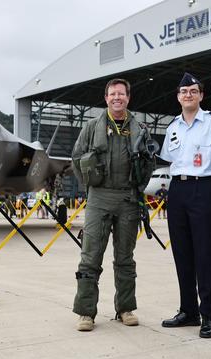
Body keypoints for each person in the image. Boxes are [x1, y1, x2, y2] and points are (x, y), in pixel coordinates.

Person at [159, 72, 211, 338]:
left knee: (205, 256)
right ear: (178, 97)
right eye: (184, 92)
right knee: (182, 254)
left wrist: (209, 191)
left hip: (203, 187)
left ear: (201, 95)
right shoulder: (173, 127)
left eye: (193, 91)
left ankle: (208, 317)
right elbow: (170, 159)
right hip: (178, 191)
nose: (188, 95)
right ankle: (188, 311)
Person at [71, 78, 154, 331]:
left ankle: (125, 308)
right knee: (90, 256)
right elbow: (77, 158)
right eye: (112, 94)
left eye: (121, 94)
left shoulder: (140, 128)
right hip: (99, 197)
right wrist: (90, 187)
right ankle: (86, 312)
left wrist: (137, 189)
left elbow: (150, 162)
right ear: (105, 98)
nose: (117, 97)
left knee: (125, 258)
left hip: (128, 198)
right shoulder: (92, 127)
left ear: (128, 98)